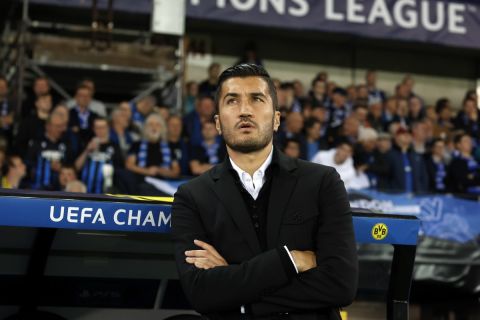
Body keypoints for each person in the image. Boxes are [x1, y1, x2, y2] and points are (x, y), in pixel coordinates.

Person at [172, 64, 357, 319]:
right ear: (217, 122)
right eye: (232, 101)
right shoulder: (192, 196)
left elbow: (341, 285)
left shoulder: (323, 182)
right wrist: (291, 260)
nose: (245, 110)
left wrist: (235, 287)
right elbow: (201, 293)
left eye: (257, 99)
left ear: (277, 119)